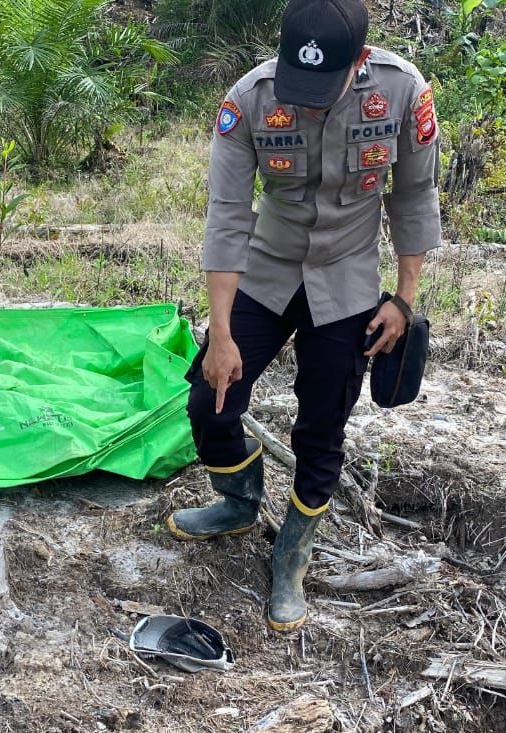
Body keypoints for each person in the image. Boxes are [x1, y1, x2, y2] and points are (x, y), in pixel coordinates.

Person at [166, 0, 441, 631]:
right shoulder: (250, 99)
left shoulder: (402, 91)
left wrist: (403, 299)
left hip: (347, 278)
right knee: (210, 402)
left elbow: (414, 195)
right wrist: (221, 333)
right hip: (267, 270)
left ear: (359, 60)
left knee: (322, 424)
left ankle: (293, 551)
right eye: (301, 85)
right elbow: (227, 215)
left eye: (325, 88)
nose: (310, 103)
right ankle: (238, 502)